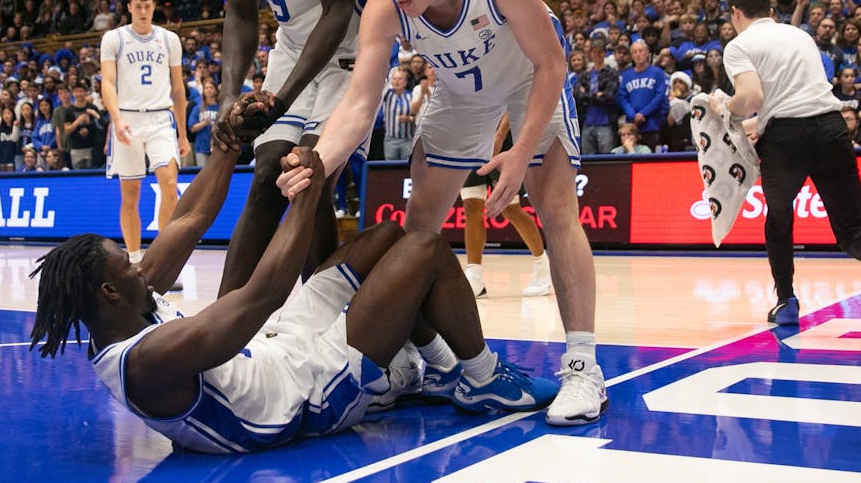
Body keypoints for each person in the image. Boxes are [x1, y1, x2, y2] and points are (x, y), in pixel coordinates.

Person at [277, 0, 607, 427]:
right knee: (418, 233)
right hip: (459, 91)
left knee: (555, 206)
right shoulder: (387, 6)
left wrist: (520, 154)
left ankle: (582, 367)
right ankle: (423, 360)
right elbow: (362, 102)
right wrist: (316, 162)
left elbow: (551, 63)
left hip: (529, 79)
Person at [29, 146, 559, 454]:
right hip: (309, 395)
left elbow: (187, 220)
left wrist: (226, 143)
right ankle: (481, 376)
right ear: (108, 290)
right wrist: (305, 196)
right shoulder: (145, 363)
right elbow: (260, 295)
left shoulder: (130, 303)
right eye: (127, 261)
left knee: (383, 238)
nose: (139, 261)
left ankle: (440, 370)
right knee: (423, 249)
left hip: (278, 346)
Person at [211, 0, 375, 296]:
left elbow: (339, 8)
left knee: (305, 173)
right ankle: (219, 326)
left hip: (352, 48)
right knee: (267, 174)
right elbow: (240, 12)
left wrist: (280, 99)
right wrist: (228, 95)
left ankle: (321, 319)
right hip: (293, 47)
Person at [710, 0, 861, 325]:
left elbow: (752, 99)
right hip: (831, 128)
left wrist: (724, 110)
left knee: (779, 221)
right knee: (853, 232)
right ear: (770, 8)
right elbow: (790, 100)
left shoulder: (739, 44)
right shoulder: (800, 35)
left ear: (735, 12)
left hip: (786, 141)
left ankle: (787, 301)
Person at [101, 0, 191, 265]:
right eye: (137, 6)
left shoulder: (169, 39)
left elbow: (178, 89)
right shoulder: (113, 38)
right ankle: (135, 259)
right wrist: (116, 119)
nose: (142, 11)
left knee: (170, 183)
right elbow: (107, 82)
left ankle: (160, 260)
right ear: (129, 7)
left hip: (160, 118)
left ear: (154, 7)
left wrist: (183, 133)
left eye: (147, 6)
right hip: (127, 117)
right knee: (131, 193)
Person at [461, 114, 552, 298]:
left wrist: (500, 135)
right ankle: (475, 276)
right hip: (472, 134)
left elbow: (511, 100)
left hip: (502, 138)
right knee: (471, 204)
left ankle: (542, 267)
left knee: (510, 208)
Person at [617, 40, 669, 149]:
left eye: (640, 51)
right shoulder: (627, 75)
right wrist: (632, 115)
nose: (638, 54)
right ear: (631, 55)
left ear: (647, 53)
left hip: (652, 125)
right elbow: (622, 97)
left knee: (651, 161)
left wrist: (643, 114)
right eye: (635, 52)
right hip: (631, 127)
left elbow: (659, 97)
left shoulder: (657, 73)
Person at [575, 36, 619, 154]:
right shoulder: (585, 75)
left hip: (605, 124)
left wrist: (587, 95)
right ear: (590, 54)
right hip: (586, 123)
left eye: (600, 52)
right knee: (588, 163)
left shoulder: (611, 73)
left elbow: (608, 96)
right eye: (594, 52)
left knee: (606, 162)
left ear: (604, 53)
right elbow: (578, 95)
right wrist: (597, 95)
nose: (597, 55)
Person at [381, 67, 416, 160]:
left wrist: (409, 119)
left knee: (406, 168)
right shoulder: (387, 95)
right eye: (394, 79)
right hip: (391, 140)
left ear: (405, 82)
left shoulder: (411, 96)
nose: (397, 81)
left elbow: (418, 116)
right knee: (390, 169)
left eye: (400, 79)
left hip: (408, 140)